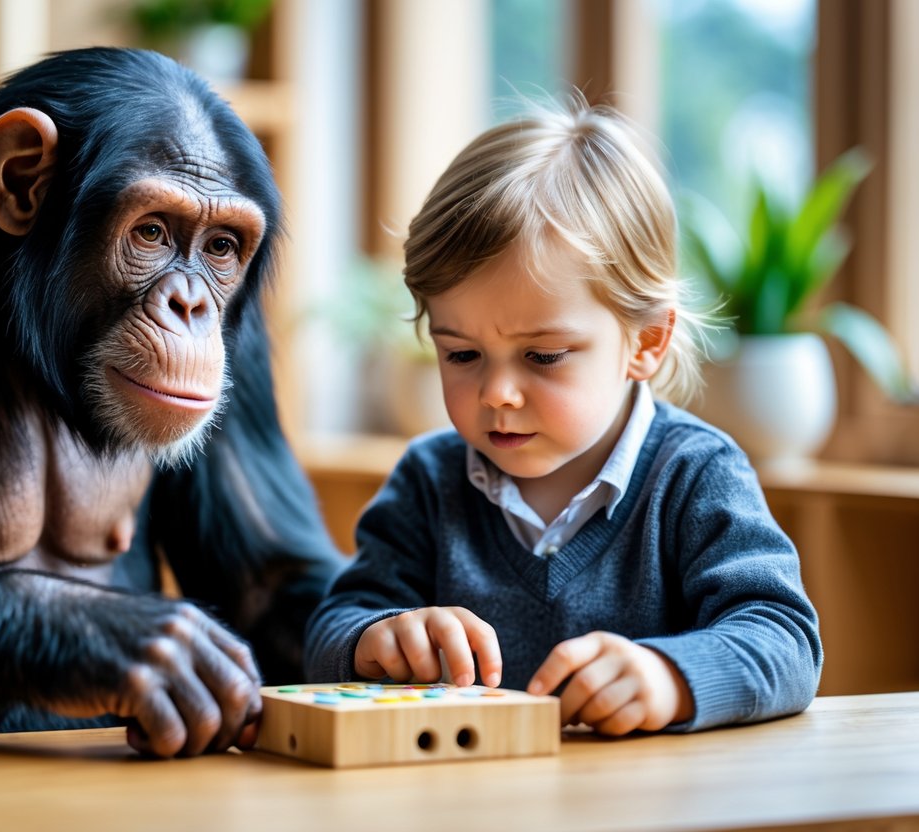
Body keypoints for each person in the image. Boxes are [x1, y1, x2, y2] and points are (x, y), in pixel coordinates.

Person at [304, 98, 822, 735]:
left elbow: (785, 640)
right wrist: (375, 637)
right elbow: (331, 629)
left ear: (646, 343)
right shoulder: (428, 480)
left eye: (542, 356)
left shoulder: (694, 474)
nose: (498, 392)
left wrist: (671, 676)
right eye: (461, 353)